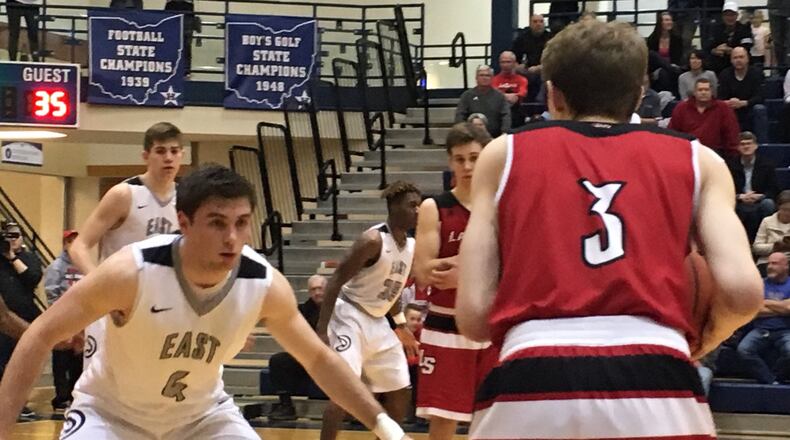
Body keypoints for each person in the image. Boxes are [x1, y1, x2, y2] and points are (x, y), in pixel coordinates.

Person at [456, 20, 763, 439]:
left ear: (553, 94)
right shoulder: (699, 159)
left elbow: (473, 319)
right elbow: (744, 293)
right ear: (639, 93)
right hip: (659, 371)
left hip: (530, 374)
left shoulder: (502, 154)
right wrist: (704, 339)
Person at [0, 165, 412, 440]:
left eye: (241, 223)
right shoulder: (130, 272)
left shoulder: (264, 283)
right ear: (184, 223)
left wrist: (382, 424)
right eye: (217, 223)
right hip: (111, 416)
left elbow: (319, 360)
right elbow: (38, 335)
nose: (232, 238)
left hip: (202, 419)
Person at [68, 122, 183, 369]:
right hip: (115, 301)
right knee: (102, 381)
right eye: (161, 151)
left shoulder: (187, 199)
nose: (168, 158)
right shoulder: (124, 194)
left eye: (174, 151)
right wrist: (99, 282)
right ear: (146, 156)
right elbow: (79, 246)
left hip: (161, 303)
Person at [317, 181, 421, 440]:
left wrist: (400, 325)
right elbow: (335, 281)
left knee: (400, 392)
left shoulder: (410, 247)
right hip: (349, 315)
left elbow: (392, 292)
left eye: (419, 205)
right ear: (393, 207)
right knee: (344, 391)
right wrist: (321, 332)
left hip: (378, 321)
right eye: (412, 205)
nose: (417, 210)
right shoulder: (372, 240)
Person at [413, 123, 496, 440]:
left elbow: (516, 267)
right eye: (459, 159)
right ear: (450, 162)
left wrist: (462, 268)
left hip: (492, 327)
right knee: (443, 421)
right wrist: (484, 265)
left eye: (474, 157)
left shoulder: (503, 205)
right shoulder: (436, 207)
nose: (467, 166)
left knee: (491, 419)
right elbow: (424, 272)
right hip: (446, 327)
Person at [268, 274, 327, 421]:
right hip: (311, 357)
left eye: (320, 288)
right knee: (279, 361)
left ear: (328, 289)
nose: (317, 292)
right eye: (313, 289)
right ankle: (286, 406)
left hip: (337, 354)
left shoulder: (339, 306)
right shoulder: (302, 310)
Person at [0, 221, 42, 420]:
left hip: (24, 319)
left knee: (21, 364)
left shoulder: (28, 258)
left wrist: (12, 257)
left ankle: (19, 404)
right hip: (4, 320)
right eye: (8, 236)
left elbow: (33, 278)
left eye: (15, 236)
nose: (11, 240)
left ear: (22, 238)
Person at [44, 230, 84, 411]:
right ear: (66, 243)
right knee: (61, 359)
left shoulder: (82, 266)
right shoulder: (56, 267)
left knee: (78, 358)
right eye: (72, 241)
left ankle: (74, 393)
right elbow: (52, 293)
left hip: (81, 318)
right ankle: (61, 397)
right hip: (62, 319)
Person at [736, 252, 790, 384]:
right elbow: (753, 311)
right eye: (769, 263)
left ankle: (777, 377)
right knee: (743, 350)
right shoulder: (759, 284)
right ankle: (770, 380)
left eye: (775, 263)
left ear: (786, 266)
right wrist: (782, 306)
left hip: (785, 330)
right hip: (760, 330)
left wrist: (765, 301)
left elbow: (789, 309)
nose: (770, 267)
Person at [727, 131, 778, 242]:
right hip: (739, 200)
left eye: (749, 143)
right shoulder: (730, 165)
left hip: (759, 200)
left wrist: (760, 196)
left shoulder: (767, 164)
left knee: (768, 203)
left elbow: (773, 189)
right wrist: (739, 196)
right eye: (743, 144)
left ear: (755, 146)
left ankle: (766, 239)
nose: (746, 146)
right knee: (727, 205)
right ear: (738, 147)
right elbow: (726, 188)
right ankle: (734, 240)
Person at [669, 78, 740, 157]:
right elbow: (673, 132)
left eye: (706, 90)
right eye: (700, 90)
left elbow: (731, 132)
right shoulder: (681, 108)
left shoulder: (723, 108)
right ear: (694, 92)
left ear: (711, 92)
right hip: (688, 152)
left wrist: (732, 154)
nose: (703, 92)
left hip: (715, 153)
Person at [717, 47, 767, 141]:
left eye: (741, 57)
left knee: (759, 109)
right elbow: (720, 98)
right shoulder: (725, 74)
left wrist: (744, 103)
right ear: (731, 60)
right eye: (735, 58)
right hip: (731, 109)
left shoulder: (757, 73)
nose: (738, 60)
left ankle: (762, 144)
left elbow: (760, 96)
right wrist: (729, 102)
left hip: (750, 108)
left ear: (747, 59)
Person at [454, 65, 511, 137]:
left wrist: (504, 132)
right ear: (476, 78)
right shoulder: (466, 95)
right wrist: (462, 133)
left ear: (492, 78)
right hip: (472, 137)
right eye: (481, 75)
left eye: (487, 75)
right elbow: (460, 116)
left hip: (495, 137)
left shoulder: (500, 96)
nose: (484, 78)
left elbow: (505, 115)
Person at [510, 14, 551, 101]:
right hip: (525, 71)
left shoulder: (550, 38)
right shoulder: (522, 38)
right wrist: (518, 66)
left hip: (544, 70)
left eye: (541, 21)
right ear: (530, 24)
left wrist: (539, 68)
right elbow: (513, 57)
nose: (538, 24)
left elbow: (554, 60)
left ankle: (538, 104)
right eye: (535, 22)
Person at [705, 1, 753, 74]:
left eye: (732, 15)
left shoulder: (744, 29)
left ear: (737, 15)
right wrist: (715, 50)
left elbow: (747, 46)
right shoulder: (715, 29)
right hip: (719, 64)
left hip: (739, 63)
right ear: (723, 16)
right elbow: (708, 46)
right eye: (727, 15)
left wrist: (732, 51)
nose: (729, 18)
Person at [646, 11, 684, 96]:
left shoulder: (677, 39)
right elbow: (650, 59)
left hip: (671, 67)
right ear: (660, 23)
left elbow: (678, 58)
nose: (669, 22)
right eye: (666, 20)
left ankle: (667, 98)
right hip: (657, 68)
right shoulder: (652, 39)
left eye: (670, 20)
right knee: (652, 54)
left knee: (663, 73)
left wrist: (670, 66)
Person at [753, 190, 790, 270]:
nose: (787, 213)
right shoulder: (767, 221)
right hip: (768, 260)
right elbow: (756, 247)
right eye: (785, 209)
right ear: (778, 207)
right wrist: (774, 246)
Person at [492, 51, 528, 128]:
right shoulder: (494, 80)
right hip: (498, 112)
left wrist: (505, 96)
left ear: (514, 63)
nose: (505, 65)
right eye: (503, 62)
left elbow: (522, 93)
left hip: (516, 112)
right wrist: (508, 96)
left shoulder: (522, 79)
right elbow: (494, 95)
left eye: (508, 62)